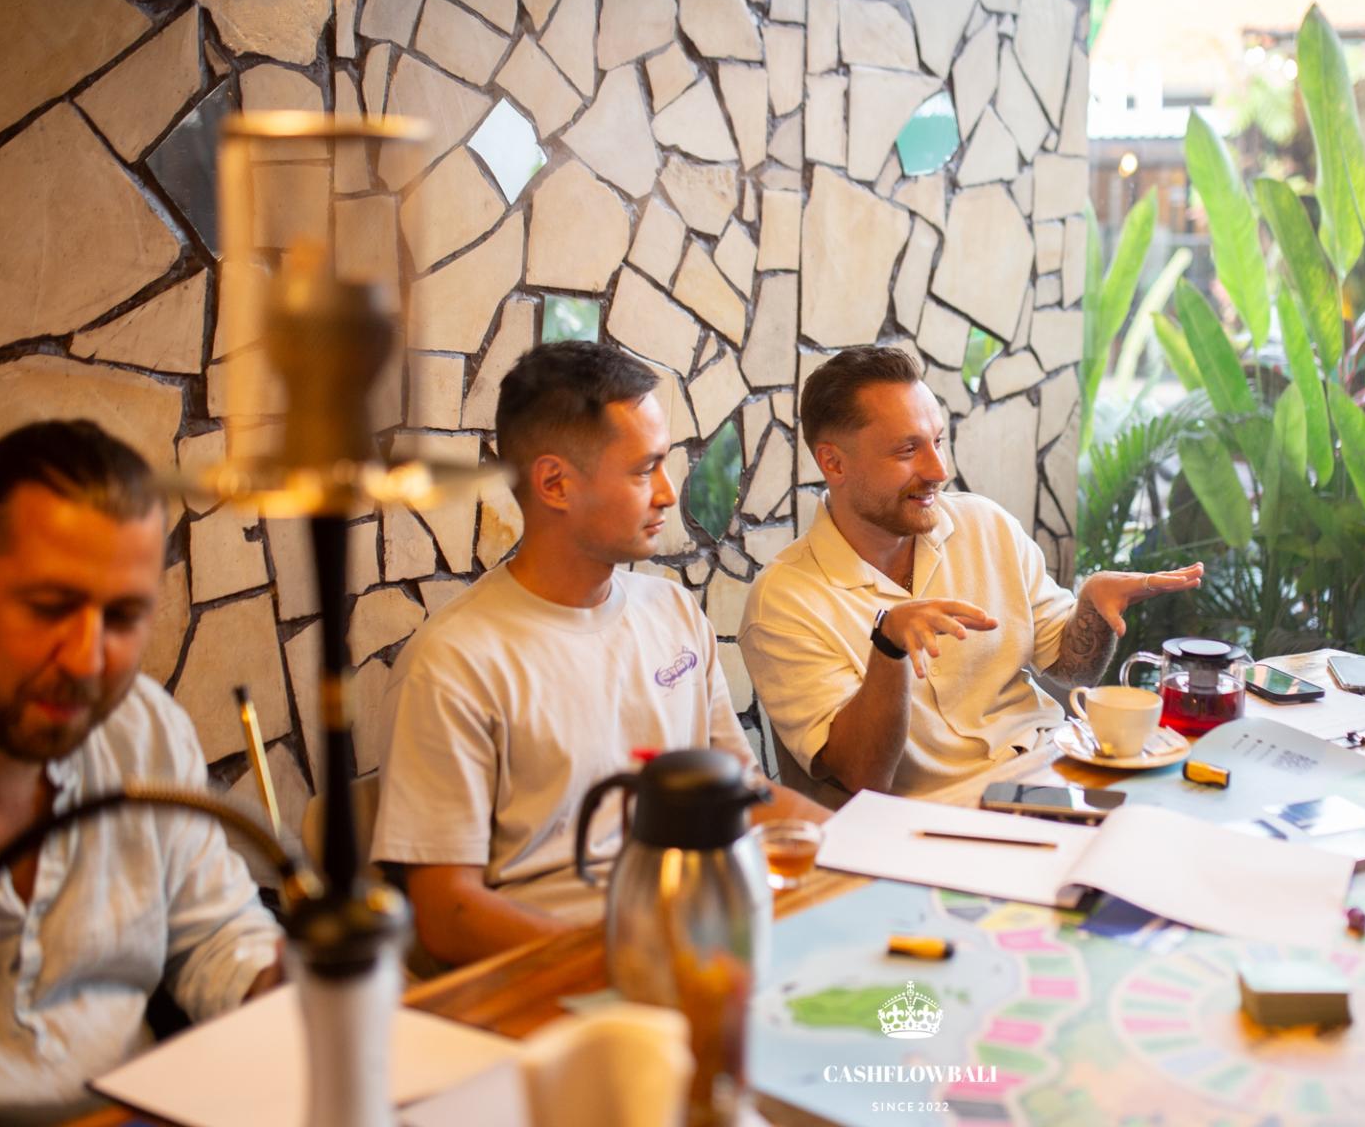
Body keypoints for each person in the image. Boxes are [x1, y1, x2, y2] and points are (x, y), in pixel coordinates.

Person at [371, 341, 828, 968]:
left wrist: (875, 856)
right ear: (554, 484)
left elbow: (746, 796)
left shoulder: (673, 612)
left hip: (707, 934)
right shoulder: (454, 663)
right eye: (644, 470)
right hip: (569, 971)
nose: (668, 492)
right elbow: (447, 914)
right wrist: (630, 960)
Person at [0, 421, 283, 1126]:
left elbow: (215, 931)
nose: (86, 659)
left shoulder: (144, 728)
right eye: (48, 607)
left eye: (124, 616)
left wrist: (276, 981)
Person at [739, 345, 1203, 801]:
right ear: (834, 462)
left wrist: (1093, 608)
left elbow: (1070, 669)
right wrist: (888, 648)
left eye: (938, 441)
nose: (938, 470)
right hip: (925, 825)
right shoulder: (784, 601)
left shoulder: (986, 524)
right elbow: (863, 778)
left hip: (1049, 777)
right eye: (907, 450)